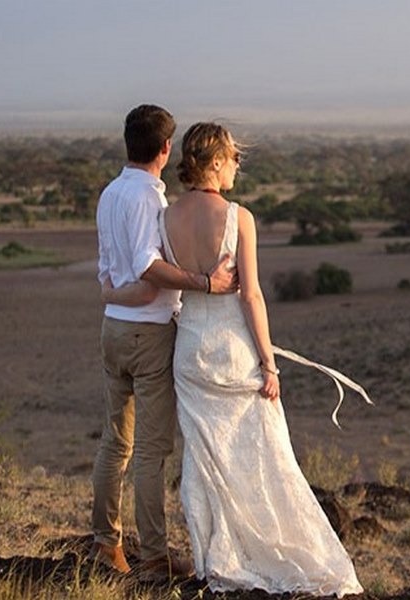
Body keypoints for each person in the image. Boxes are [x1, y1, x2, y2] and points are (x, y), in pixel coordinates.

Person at [103, 122, 364, 596]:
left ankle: (215, 558)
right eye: (234, 158)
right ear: (217, 162)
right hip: (232, 351)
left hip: (190, 352)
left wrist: (114, 290)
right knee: (266, 457)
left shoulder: (165, 218)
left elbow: (159, 276)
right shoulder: (239, 217)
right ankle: (263, 551)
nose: (238, 166)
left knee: (206, 461)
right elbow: (252, 297)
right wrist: (269, 363)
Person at [92, 105, 237, 579]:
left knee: (116, 444)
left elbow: (109, 273)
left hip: (113, 327)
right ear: (164, 148)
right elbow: (149, 271)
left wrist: (113, 294)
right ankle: (153, 555)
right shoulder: (150, 201)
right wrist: (205, 283)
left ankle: (105, 542)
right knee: (152, 450)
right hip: (148, 331)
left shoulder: (110, 194)